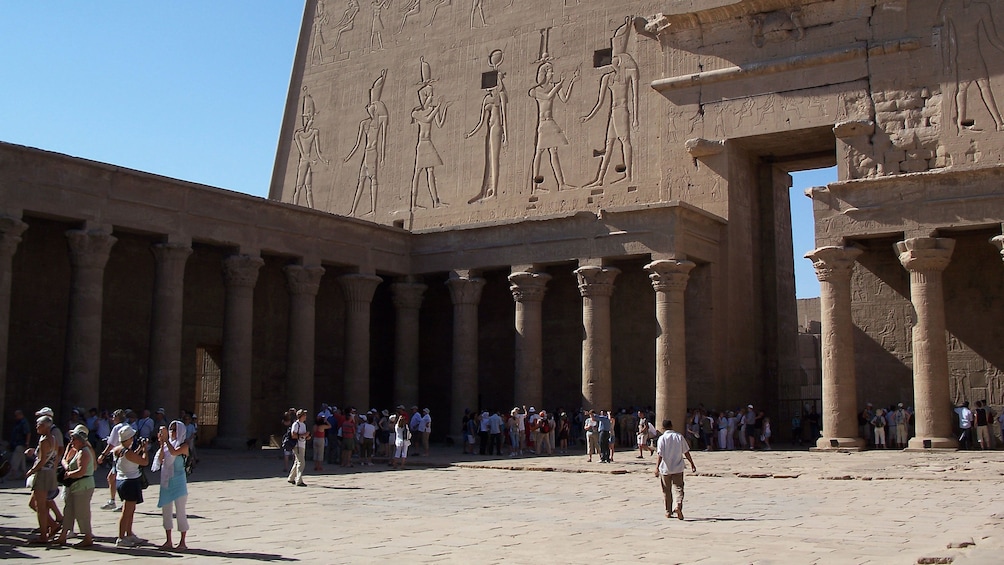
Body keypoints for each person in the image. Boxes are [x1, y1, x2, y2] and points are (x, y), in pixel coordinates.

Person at [153, 420, 190, 550]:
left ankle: (182, 541)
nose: (172, 432)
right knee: (166, 511)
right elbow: (160, 459)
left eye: (174, 430)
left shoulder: (184, 445)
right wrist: (162, 442)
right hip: (166, 481)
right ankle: (168, 540)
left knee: (180, 511)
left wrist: (166, 441)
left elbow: (175, 452)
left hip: (179, 481)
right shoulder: (167, 446)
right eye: (170, 430)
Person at [57, 424, 95, 547]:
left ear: (79, 440)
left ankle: (88, 538)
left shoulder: (84, 452)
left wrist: (68, 474)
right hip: (75, 486)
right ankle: (62, 536)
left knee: (82, 513)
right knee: (68, 511)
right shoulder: (79, 451)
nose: (71, 442)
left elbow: (81, 471)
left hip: (82, 487)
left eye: (73, 439)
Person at [113, 425, 149, 547]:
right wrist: (144, 451)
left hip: (122, 480)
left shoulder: (118, 449)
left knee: (130, 509)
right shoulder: (128, 452)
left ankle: (128, 533)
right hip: (130, 482)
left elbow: (130, 458)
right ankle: (121, 537)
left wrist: (139, 449)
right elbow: (144, 461)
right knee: (127, 511)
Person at [24, 415, 59, 544]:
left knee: (40, 506)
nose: (37, 426)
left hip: (43, 473)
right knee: (33, 503)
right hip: (49, 472)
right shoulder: (53, 439)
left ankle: (43, 535)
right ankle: (53, 525)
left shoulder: (44, 440)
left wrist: (31, 471)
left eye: (39, 424)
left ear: (45, 426)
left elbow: (42, 460)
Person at [654, 419, 697, 521]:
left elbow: (660, 454)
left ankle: (668, 511)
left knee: (666, 491)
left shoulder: (662, 438)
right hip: (678, 467)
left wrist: (656, 467)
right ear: (672, 426)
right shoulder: (679, 437)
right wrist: (692, 463)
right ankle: (678, 505)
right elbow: (686, 451)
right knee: (679, 488)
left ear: (663, 428)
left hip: (665, 468)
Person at [97, 409, 127, 511]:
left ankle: (120, 502)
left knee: (118, 479)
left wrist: (102, 455)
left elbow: (111, 444)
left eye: (114, 416)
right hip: (126, 456)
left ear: (117, 417)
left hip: (118, 457)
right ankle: (113, 501)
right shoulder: (128, 426)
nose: (112, 418)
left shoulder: (117, 427)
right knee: (113, 478)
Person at [288, 409, 310, 486]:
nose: (306, 416)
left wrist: (307, 437)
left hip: (302, 444)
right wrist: (304, 435)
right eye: (304, 415)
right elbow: (293, 435)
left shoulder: (303, 424)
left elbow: (302, 436)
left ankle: (291, 478)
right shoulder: (296, 424)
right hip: (297, 445)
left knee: (297, 462)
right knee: (301, 462)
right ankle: (299, 480)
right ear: (301, 416)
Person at [9, 409, 30, 479]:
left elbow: (27, 433)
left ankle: (13, 473)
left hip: (20, 443)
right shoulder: (18, 422)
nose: (15, 417)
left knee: (15, 459)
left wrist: (27, 443)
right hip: (17, 444)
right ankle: (24, 473)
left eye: (16, 415)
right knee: (21, 459)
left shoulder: (23, 423)